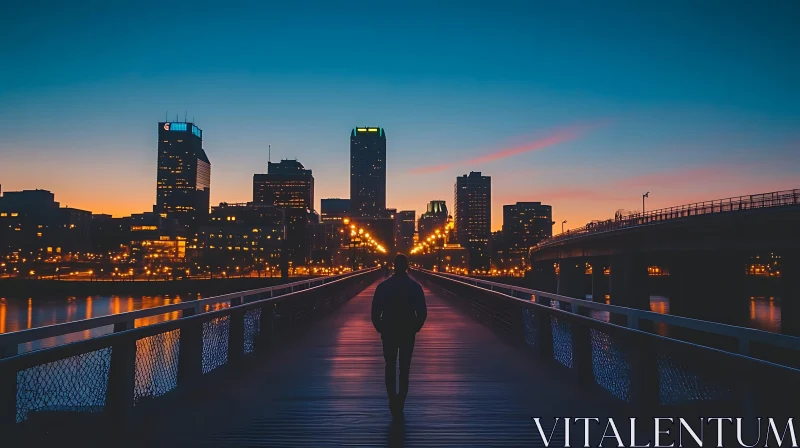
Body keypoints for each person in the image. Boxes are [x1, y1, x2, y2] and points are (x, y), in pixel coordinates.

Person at [371, 253, 427, 420]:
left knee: (389, 364)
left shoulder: (383, 286)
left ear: (394, 266)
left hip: (388, 329)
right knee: (404, 368)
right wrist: (415, 327)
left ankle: (392, 399)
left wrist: (380, 327)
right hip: (407, 330)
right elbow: (422, 313)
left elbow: (375, 311)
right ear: (407, 266)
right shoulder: (415, 287)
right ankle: (401, 400)